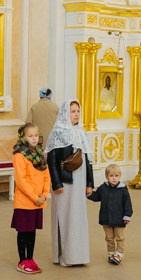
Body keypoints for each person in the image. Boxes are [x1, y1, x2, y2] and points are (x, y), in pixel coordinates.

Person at [46, 99, 93, 267]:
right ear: (66, 114)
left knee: (78, 217)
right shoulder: (57, 134)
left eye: (78, 111)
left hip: (79, 181)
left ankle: (79, 256)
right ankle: (65, 256)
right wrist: (56, 183)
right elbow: (52, 161)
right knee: (64, 217)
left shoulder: (81, 133)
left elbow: (88, 161)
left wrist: (89, 183)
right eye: (73, 111)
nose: (76, 114)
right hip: (64, 183)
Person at [10, 122, 51, 274]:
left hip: (38, 201)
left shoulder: (39, 154)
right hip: (25, 202)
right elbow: (21, 181)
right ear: (23, 137)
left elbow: (46, 175)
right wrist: (35, 197)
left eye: (36, 135)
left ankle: (30, 258)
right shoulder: (19, 156)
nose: (34, 139)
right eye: (30, 136)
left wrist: (44, 194)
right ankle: (22, 261)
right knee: (23, 231)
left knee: (32, 231)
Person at [87, 163, 134, 265]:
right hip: (106, 218)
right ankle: (111, 253)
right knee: (109, 238)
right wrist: (89, 194)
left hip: (119, 219)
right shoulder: (103, 188)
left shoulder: (123, 190)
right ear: (106, 176)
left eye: (116, 176)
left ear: (119, 176)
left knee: (120, 237)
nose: (114, 178)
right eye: (111, 176)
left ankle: (119, 253)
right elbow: (96, 197)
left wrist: (127, 216)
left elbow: (128, 204)